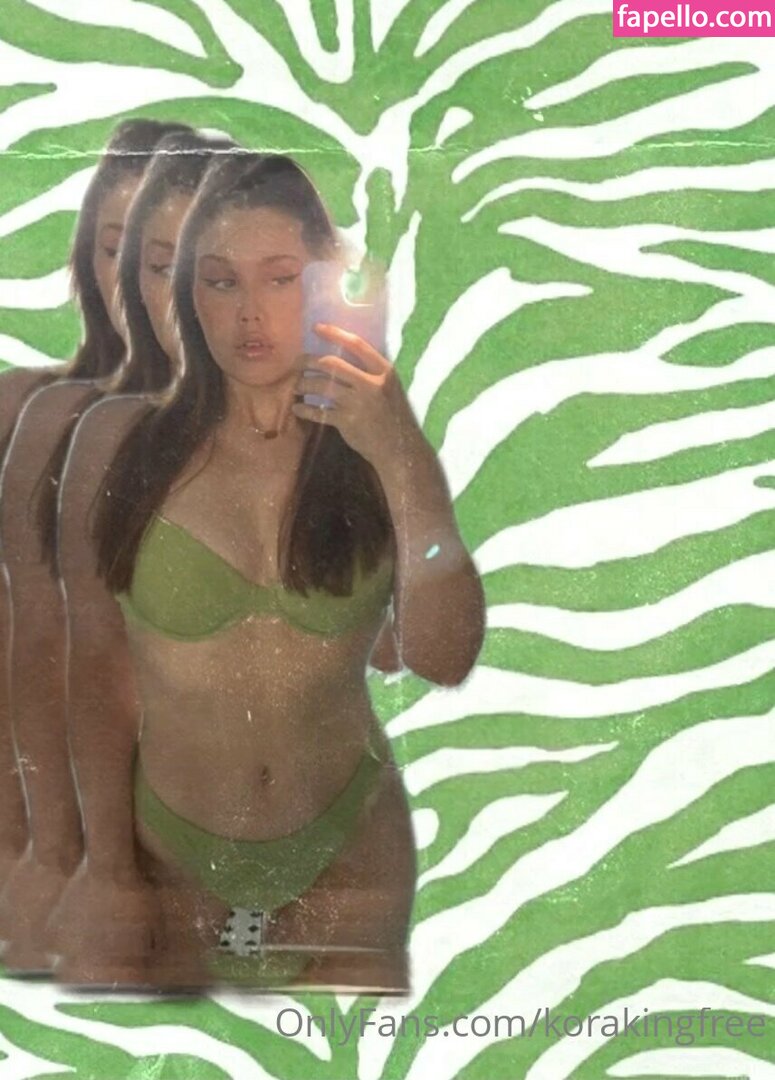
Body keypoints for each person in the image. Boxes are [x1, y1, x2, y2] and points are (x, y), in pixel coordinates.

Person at [57, 151, 485, 992]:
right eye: (220, 282)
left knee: (354, 1051)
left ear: (322, 284)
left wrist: (401, 454)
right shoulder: (119, 443)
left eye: (280, 279)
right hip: (168, 854)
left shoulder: (375, 444)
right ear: (188, 295)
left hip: (350, 852)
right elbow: (92, 668)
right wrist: (104, 865)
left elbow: (444, 657)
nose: (249, 313)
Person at [0, 127, 230, 973]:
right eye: (118, 252)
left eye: (171, 262)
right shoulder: (40, 416)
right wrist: (61, 858)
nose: (137, 285)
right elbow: (37, 644)